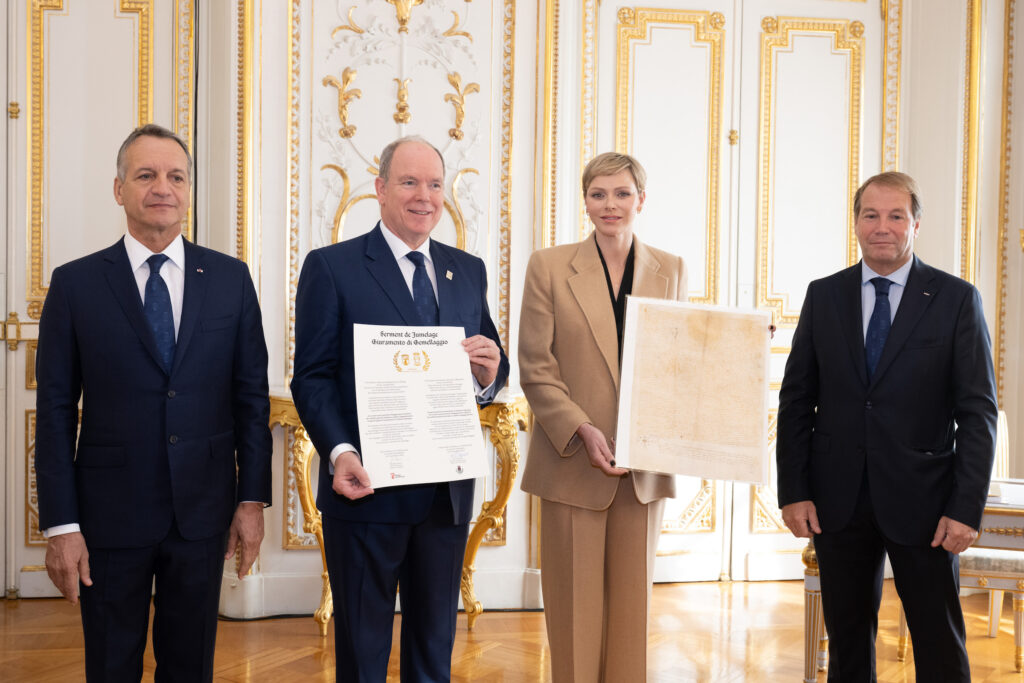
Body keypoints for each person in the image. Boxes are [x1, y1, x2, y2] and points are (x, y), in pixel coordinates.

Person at [34, 123, 273, 681]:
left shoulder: (232, 281)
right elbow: (55, 411)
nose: (162, 187)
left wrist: (252, 500)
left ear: (188, 190)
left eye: (176, 176)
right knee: (112, 664)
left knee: (190, 665)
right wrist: (61, 525)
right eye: (146, 175)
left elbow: (250, 400)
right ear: (119, 189)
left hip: (203, 512)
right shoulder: (75, 285)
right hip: (109, 514)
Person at [290, 136, 510, 682]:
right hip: (366, 492)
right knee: (362, 656)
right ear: (381, 189)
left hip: (445, 497)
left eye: (435, 184)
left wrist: (488, 374)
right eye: (410, 182)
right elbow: (312, 377)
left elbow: (492, 366)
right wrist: (339, 451)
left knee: (434, 653)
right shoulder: (333, 267)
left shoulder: (468, 269)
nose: (425, 196)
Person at [777, 171, 998, 681]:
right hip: (837, 500)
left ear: (916, 223)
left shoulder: (955, 299)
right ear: (856, 223)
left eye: (896, 216)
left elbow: (978, 414)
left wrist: (965, 509)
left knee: (939, 643)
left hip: (926, 504)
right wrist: (795, 491)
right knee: (849, 643)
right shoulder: (824, 295)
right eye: (871, 215)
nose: (883, 227)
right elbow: (796, 401)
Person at [518, 152, 686, 682]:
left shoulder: (672, 268)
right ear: (585, 200)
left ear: (641, 200)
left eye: (621, 193)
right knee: (574, 612)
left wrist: (736, 350)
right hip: (572, 462)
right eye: (598, 194)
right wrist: (581, 429)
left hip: (643, 466)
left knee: (631, 616)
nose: (609, 205)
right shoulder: (548, 265)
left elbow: (678, 358)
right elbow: (534, 364)